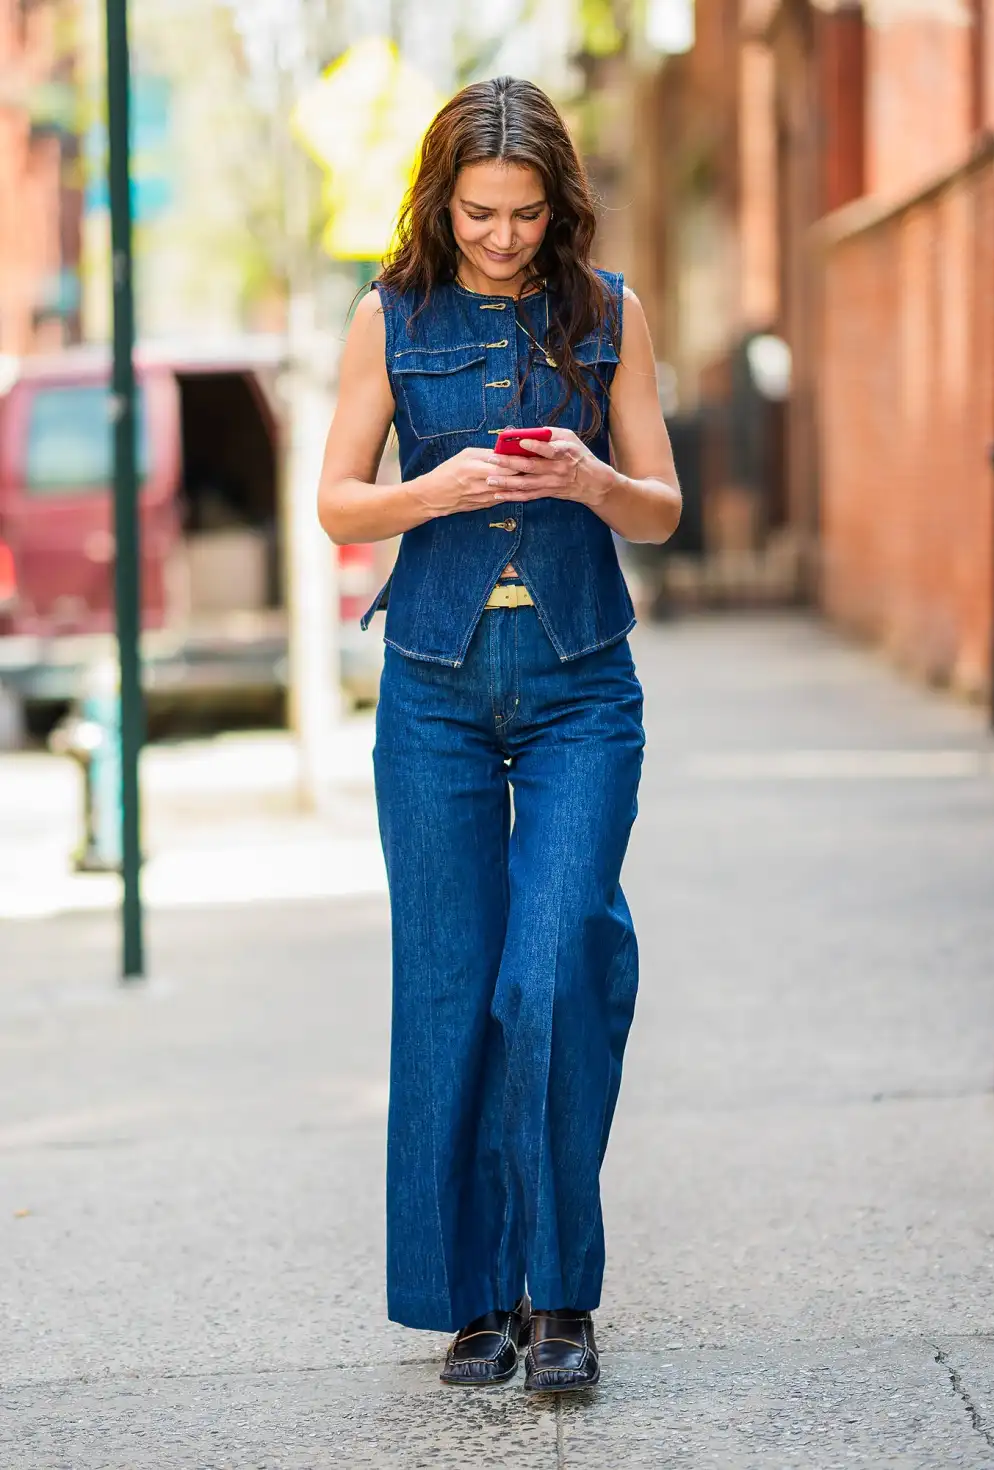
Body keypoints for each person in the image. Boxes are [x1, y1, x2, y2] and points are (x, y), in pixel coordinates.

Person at [318, 75, 681, 1393]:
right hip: (435, 692)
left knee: (554, 969)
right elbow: (338, 506)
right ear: (440, 198)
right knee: (450, 990)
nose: (503, 236)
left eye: (526, 213)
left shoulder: (605, 312)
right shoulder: (388, 314)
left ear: (557, 204)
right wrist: (438, 486)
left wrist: (589, 475)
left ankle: (562, 1294)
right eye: (480, 212)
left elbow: (659, 509)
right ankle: (475, 1300)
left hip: (583, 684)